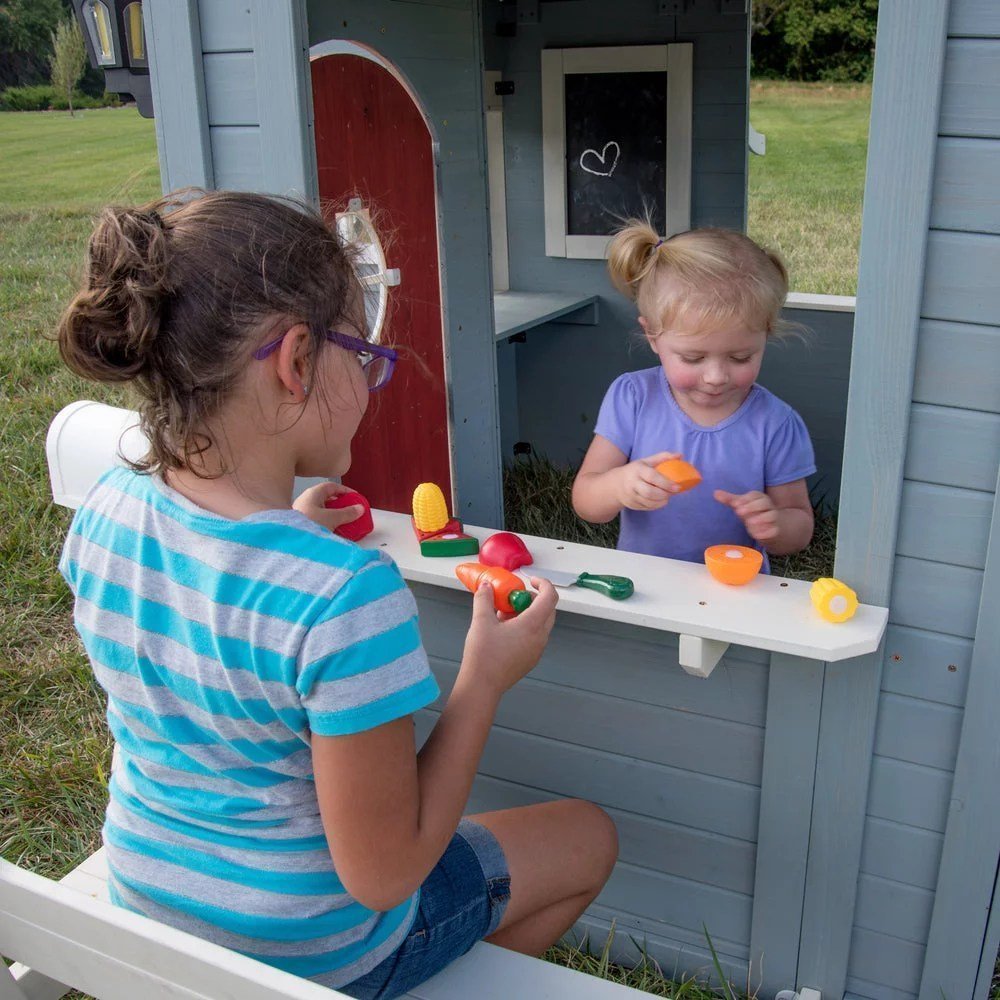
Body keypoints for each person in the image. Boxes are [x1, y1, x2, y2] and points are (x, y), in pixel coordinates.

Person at [55, 190, 617, 1000]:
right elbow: (386, 874)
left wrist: (286, 527)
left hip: (152, 907)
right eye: (360, 350)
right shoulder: (343, 596)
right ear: (294, 361)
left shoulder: (109, 507)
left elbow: (205, 620)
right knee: (586, 837)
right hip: (313, 958)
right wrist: (483, 680)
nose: (370, 371)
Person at [572, 223, 816, 570]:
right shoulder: (634, 398)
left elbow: (800, 527)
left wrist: (776, 524)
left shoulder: (776, 423)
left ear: (766, 335)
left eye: (740, 357)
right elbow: (585, 500)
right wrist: (619, 485)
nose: (716, 377)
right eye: (693, 358)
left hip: (734, 590)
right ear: (653, 336)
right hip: (646, 582)